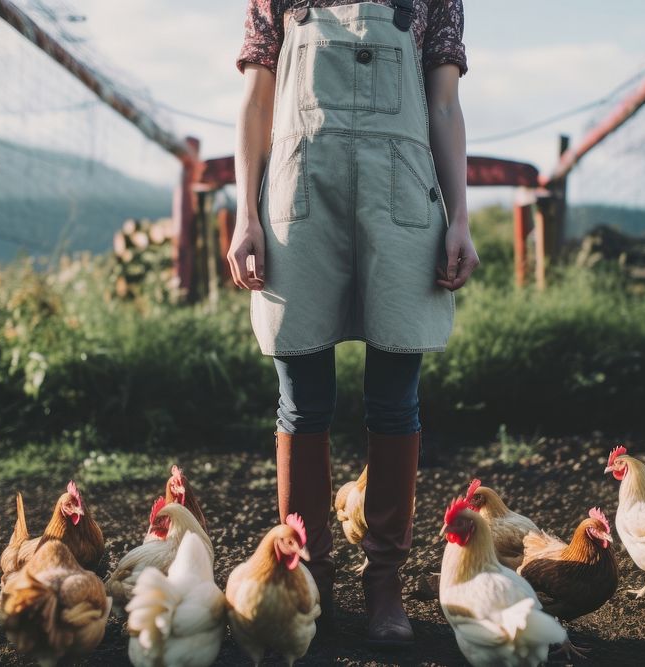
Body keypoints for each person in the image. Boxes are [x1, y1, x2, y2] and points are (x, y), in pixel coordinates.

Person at [230, 0, 478, 648]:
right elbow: (257, 103)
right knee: (301, 400)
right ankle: (307, 579)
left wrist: (460, 217)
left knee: (394, 398)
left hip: (401, 195)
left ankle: (385, 583)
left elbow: (444, 107)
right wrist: (244, 216)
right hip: (297, 196)